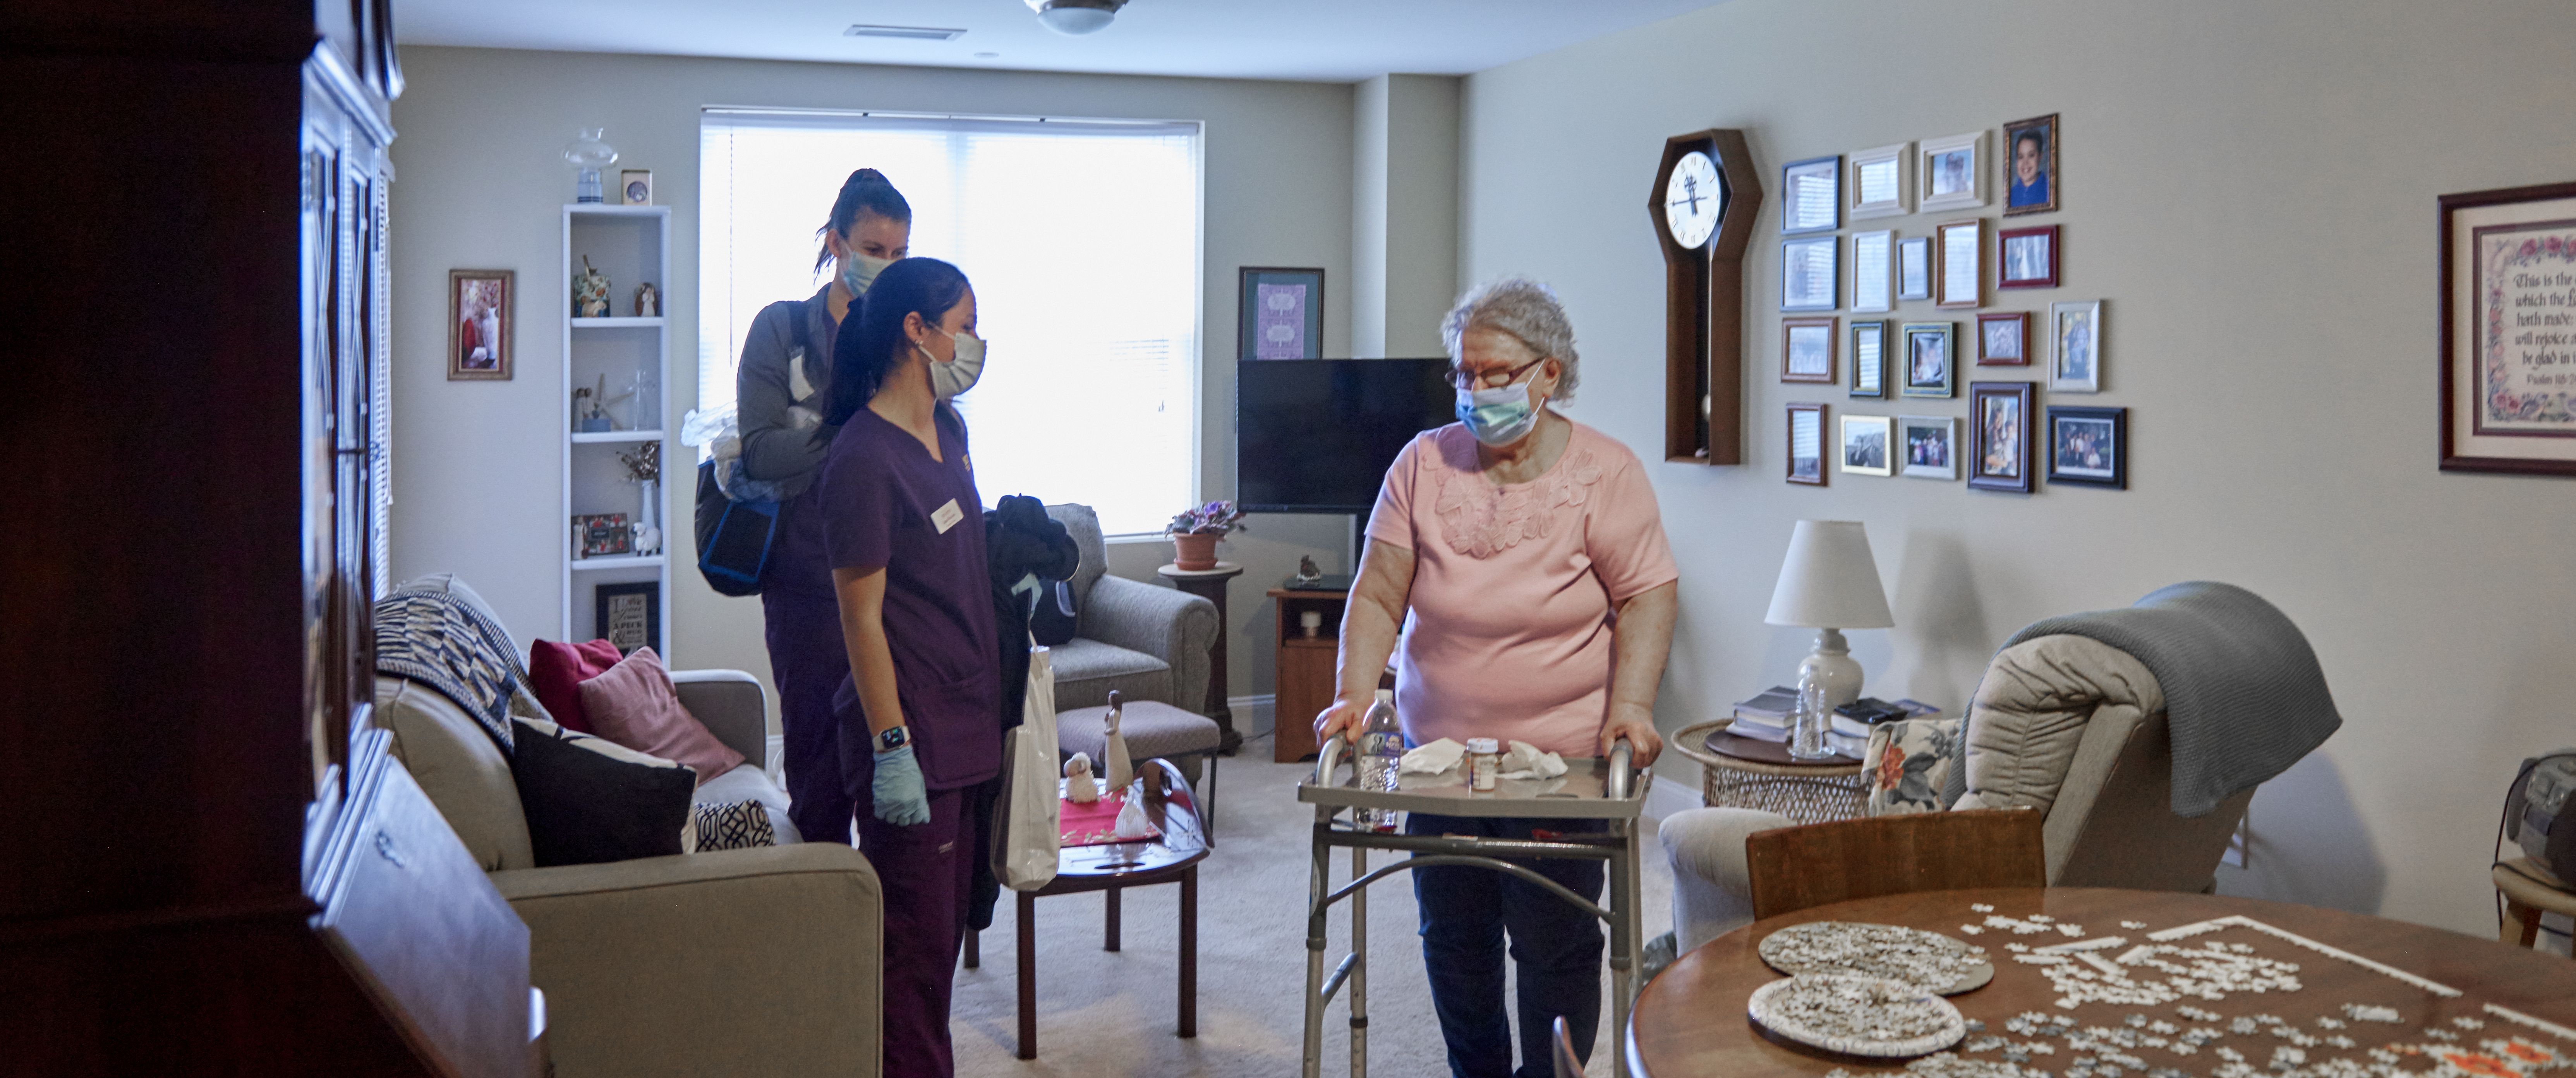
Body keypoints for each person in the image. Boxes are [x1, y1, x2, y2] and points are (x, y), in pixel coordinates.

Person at [1312, 277, 1678, 1078]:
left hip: (1558, 770)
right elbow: (1377, 594)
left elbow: (1647, 593)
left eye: (1496, 374)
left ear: (1548, 374)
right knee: (1453, 938)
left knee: (1552, 946)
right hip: (1435, 764)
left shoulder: (1604, 473)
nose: (1476, 392)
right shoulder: (1421, 464)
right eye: (1463, 374)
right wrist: (1352, 692)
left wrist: (1633, 706)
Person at [817, 256, 996, 1078]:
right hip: (912, 734)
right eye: (961, 323)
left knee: (945, 939)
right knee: (911, 962)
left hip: (968, 723)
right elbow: (860, 618)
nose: (974, 341)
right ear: (915, 332)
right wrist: (891, 747)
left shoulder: (949, 432)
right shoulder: (860, 457)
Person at [737, 168, 911, 846]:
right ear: (836, 243)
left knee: (886, 770)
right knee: (816, 772)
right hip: (804, 585)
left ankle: (881, 936)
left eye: (899, 254)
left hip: (891, 584)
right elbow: (758, 451)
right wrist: (848, 430)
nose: (886, 265)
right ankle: (818, 934)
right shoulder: (780, 330)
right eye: (873, 249)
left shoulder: (901, 337)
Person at [2009, 127, 2050, 208]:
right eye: (2021, 157)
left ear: (2040, 156)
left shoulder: (2049, 190)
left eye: (2031, 155)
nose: (2025, 163)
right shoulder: (2011, 194)